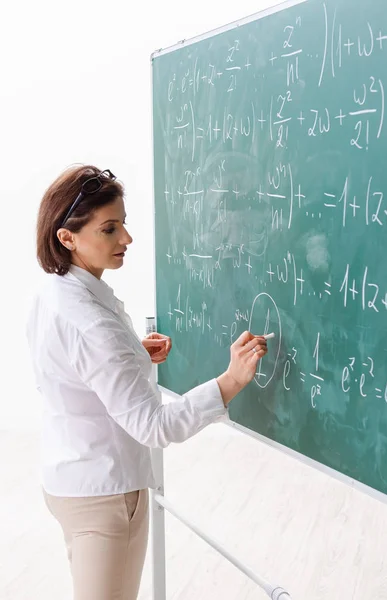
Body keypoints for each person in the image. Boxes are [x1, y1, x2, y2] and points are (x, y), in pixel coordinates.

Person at [26, 165, 268, 600]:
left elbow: (68, 367)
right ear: (67, 238)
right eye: (110, 229)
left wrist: (130, 353)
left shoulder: (54, 292)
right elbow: (153, 426)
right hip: (105, 497)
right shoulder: (93, 325)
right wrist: (230, 381)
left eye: (124, 223)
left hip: (69, 481)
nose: (127, 239)